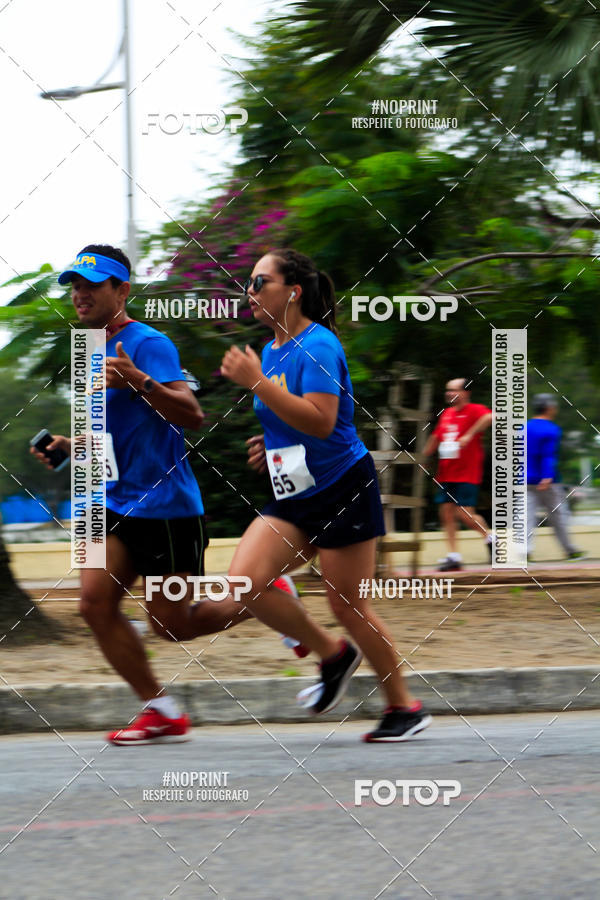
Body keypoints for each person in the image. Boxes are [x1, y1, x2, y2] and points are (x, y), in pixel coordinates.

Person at [32, 244, 300, 746]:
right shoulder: (87, 348)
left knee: (172, 625)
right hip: (110, 503)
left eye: (93, 285)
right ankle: (160, 710)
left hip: (164, 509)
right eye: (74, 285)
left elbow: (191, 416)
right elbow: (112, 431)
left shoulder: (148, 342)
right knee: (93, 604)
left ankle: (263, 594)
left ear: (122, 290)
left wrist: (138, 380)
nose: (80, 294)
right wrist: (69, 446)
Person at [220, 248, 431, 742]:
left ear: (292, 291)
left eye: (259, 282)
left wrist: (256, 384)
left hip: (342, 489)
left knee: (348, 606)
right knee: (244, 582)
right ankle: (333, 655)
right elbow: (291, 421)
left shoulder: (318, 345)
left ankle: (404, 706)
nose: (249, 292)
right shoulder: (271, 350)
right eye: (249, 283)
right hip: (296, 494)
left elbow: (321, 419)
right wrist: (267, 444)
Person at [423, 378, 494, 571]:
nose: (448, 393)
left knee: (464, 514)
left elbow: (491, 417)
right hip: (447, 472)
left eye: (453, 390)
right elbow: (437, 436)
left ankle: (491, 538)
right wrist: (423, 456)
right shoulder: (446, 414)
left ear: (465, 393)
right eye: (447, 390)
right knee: (445, 513)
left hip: (467, 472)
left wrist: (470, 435)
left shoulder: (475, 410)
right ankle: (454, 556)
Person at [527, 394, 584, 561]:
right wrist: (546, 476)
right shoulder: (551, 429)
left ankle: (525, 552)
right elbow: (548, 455)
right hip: (548, 482)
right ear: (549, 408)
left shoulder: (524, 427)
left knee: (525, 516)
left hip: (525, 479)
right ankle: (570, 550)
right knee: (559, 516)